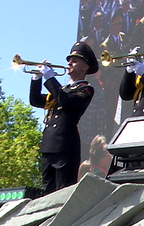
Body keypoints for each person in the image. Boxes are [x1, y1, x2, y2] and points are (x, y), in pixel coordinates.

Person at [29, 41, 97, 193]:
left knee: (62, 192)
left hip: (65, 146)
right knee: (47, 191)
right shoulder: (62, 89)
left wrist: (50, 78)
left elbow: (66, 101)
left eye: (75, 60)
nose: (69, 63)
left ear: (85, 67)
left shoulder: (85, 89)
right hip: (49, 145)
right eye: (69, 60)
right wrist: (36, 79)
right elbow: (36, 101)